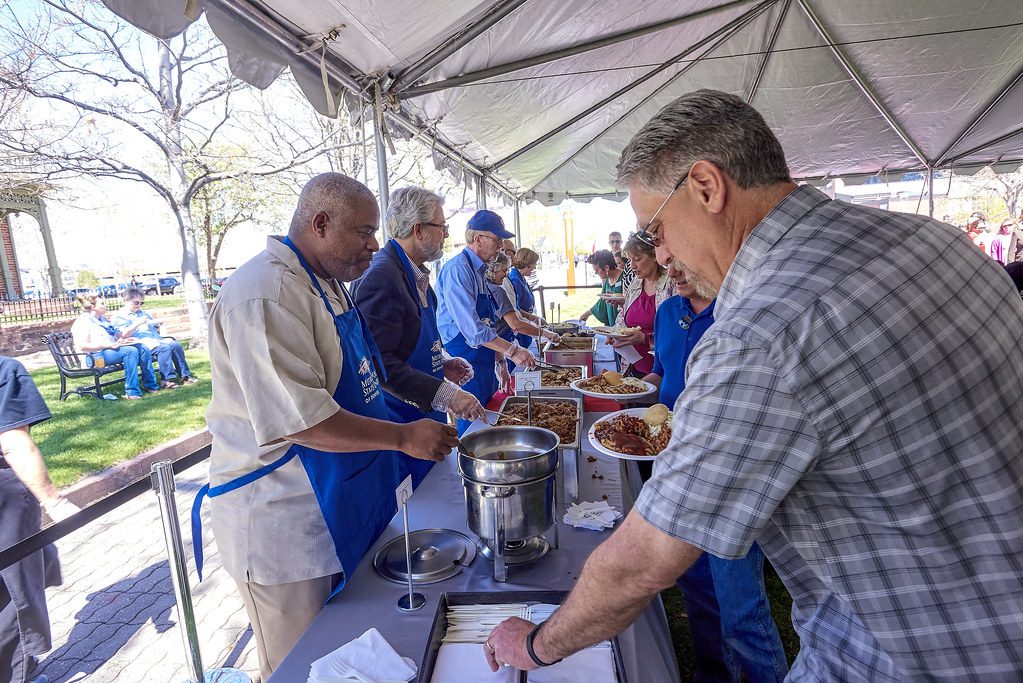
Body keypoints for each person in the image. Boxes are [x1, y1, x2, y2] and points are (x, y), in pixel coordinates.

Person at [485, 90, 1023, 680]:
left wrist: (537, 644)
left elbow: (643, 562)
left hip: (901, 654)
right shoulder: (938, 242)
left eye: (657, 229)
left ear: (707, 187)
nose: (661, 257)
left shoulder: (758, 336)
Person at [198, 173, 459, 680]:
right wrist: (405, 436)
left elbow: (366, 375)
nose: (374, 245)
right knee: (301, 665)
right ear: (320, 223)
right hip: (283, 520)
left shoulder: (326, 284)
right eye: (364, 232)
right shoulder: (267, 293)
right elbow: (303, 421)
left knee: (347, 654)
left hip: (338, 502)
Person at [641, 260, 787, 682]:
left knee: (740, 603)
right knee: (696, 586)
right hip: (673, 460)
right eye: (671, 267)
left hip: (729, 475)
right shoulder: (668, 311)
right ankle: (714, 673)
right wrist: (631, 393)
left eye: (685, 264)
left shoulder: (739, 313)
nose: (676, 273)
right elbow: (665, 372)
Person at [351, 186, 485, 487]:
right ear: (419, 229)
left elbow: (410, 342)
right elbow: (377, 362)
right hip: (400, 425)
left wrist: (442, 362)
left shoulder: (414, 273)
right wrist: (449, 396)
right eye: (442, 226)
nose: (446, 235)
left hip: (425, 420)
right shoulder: (381, 276)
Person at [0, 355, 79, 683]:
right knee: (13, 592)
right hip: (5, 496)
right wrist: (55, 501)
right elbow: (13, 442)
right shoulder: (5, 368)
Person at [437, 210, 535, 434]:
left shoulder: (479, 269)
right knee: (470, 415)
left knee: (488, 413)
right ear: (478, 239)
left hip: (483, 353)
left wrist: (500, 360)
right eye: (497, 239)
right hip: (463, 354)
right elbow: (473, 329)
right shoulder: (458, 270)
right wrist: (513, 351)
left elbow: (487, 322)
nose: (501, 246)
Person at [69, 293, 162, 398]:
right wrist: (106, 345)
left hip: (107, 351)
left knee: (142, 348)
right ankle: (132, 392)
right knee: (130, 351)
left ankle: (151, 385)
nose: (105, 306)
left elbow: (114, 337)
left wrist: (123, 341)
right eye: (102, 304)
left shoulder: (102, 320)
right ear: (93, 307)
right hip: (92, 357)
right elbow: (83, 346)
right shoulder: (83, 321)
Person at [607, 234, 671, 377]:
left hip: (663, 372)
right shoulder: (635, 283)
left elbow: (677, 331)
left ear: (655, 256)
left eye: (637, 259)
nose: (632, 265)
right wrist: (616, 334)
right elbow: (623, 315)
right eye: (630, 260)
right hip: (633, 368)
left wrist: (645, 338)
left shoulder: (671, 283)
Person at [111, 288, 197, 386]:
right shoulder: (120, 316)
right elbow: (121, 335)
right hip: (138, 343)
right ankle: (167, 380)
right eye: (136, 302)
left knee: (175, 344)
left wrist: (156, 325)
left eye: (141, 303)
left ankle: (185, 375)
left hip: (154, 339)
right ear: (126, 300)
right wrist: (136, 324)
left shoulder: (144, 313)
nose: (139, 305)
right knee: (164, 348)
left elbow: (153, 329)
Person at [485, 254, 560, 359]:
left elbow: (514, 309)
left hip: (499, 345)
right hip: (503, 343)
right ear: (494, 270)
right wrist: (546, 334)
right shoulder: (497, 290)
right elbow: (516, 324)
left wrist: (533, 319)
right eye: (504, 270)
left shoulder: (489, 287)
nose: (506, 275)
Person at [579, 249, 625, 326]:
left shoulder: (624, 277)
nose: (596, 273)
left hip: (624, 324)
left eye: (597, 270)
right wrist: (588, 313)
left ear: (606, 267)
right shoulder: (607, 280)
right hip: (611, 324)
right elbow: (602, 302)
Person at [507, 248, 542, 348]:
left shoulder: (521, 278)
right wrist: (533, 318)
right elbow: (515, 307)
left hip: (526, 322)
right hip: (520, 327)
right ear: (527, 263)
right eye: (534, 263)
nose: (535, 267)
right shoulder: (515, 280)